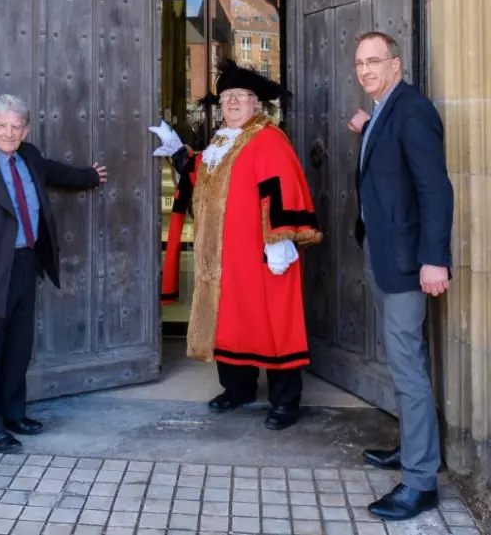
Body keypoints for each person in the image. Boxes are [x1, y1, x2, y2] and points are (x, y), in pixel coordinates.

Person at [151, 59, 322, 431]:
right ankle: (238, 388)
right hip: (224, 256)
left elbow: (280, 187)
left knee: (275, 324)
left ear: (255, 104)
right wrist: (180, 152)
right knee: (231, 322)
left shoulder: (268, 140)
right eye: (227, 97)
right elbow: (202, 177)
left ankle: (285, 401)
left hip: (261, 255)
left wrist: (278, 240)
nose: (232, 103)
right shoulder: (220, 141)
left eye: (241, 97)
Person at [0, 94, 107, 454]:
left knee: (17, 348)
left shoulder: (28, 158)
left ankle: (14, 414)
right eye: (2, 126)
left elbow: (58, 172)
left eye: (16, 126)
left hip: (24, 265)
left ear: (25, 130)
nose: (9, 133)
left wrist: (90, 176)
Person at [348, 32, 453, 521]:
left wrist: (435, 258)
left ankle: (420, 481)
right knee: (403, 358)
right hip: (384, 251)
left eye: (375, 61)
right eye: (359, 63)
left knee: (408, 364)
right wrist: (367, 128)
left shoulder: (412, 109)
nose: (366, 70)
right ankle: (413, 448)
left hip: (410, 260)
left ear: (396, 64)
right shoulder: (385, 110)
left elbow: (435, 189)